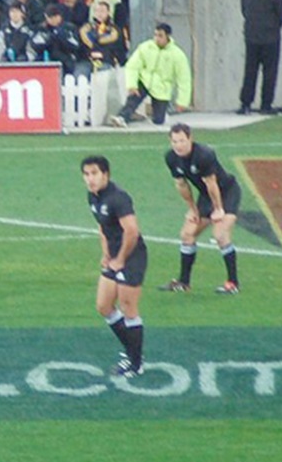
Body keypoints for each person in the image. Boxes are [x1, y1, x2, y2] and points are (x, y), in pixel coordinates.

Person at [81, 155, 148, 378]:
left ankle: (136, 364)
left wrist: (120, 259)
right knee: (103, 306)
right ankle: (133, 352)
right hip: (115, 256)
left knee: (128, 307)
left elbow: (132, 231)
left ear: (106, 174)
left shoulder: (118, 198)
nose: (90, 179)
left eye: (94, 173)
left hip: (132, 256)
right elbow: (103, 228)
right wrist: (106, 253)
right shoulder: (93, 197)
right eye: (86, 174)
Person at [161, 123, 242, 295]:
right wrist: (192, 209)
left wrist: (218, 209)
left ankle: (233, 283)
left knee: (220, 234)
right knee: (187, 234)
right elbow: (182, 185)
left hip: (227, 192)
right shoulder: (171, 158)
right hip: (206, 196)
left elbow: (212, 184)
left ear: (190, 139)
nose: (178, 145)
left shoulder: (204, 154)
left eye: (182, 141)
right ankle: (184, 282)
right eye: (174, 141)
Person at [108, 23, 191, 127]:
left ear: (168, 36)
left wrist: (182, 101)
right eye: (155, 35)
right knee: (133, 99)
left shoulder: (177, 55)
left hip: (162, 87)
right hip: (144, 80)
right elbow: (132, 66)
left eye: (160, 36)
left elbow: (184, 79)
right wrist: (132, 84)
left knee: (158, 120)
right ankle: (122, 117)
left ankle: (159, 116)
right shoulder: (145, 47)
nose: (157, 38)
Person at [237, 0, 282, 115]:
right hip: (271, 38)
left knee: (250, 71)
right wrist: (273, 28)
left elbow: (244, 12)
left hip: (251, 37)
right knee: (269, 72)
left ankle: (245, 104)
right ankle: (266, 105)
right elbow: (281, 15)